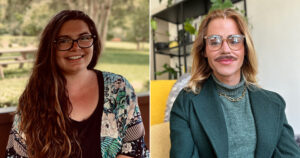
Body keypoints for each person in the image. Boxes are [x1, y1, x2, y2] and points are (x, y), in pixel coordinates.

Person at [5, 10, 148, 158]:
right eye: (64, 40)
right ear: (51, 48)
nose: (76, 47)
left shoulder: (119, 88)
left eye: (84, 38)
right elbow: (16, 154)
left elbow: (134, 149)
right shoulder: (34, 96)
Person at [170, 8, 300, 158]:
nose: (225, 49)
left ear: (245, 49)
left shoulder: (274, 103)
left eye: (234, 41)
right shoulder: (186, 103)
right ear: (204, 51)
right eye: (214, 41)